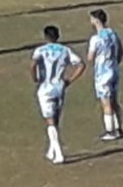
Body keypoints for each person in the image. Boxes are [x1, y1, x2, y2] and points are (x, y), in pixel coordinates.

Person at [31, 25, 85, 165]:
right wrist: (69, 80)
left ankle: (59, 153)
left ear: (45, 37)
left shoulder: (40, 50)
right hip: (59, 87)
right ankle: (51, 150)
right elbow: (81, 65)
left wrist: (35, 77)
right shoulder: (65, 50)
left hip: (45, 88)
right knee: (55, 119)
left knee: (49, 121)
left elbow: (33, 64)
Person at [87, 9, 123, 141]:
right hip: (114, 69)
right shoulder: (113, 33)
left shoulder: (96, 38)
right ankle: (119, 128)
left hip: (102, 73)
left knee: (106, 102)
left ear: (96, 21)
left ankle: (110, 131)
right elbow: (121, 50)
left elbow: (90, 57)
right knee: (114, 100)